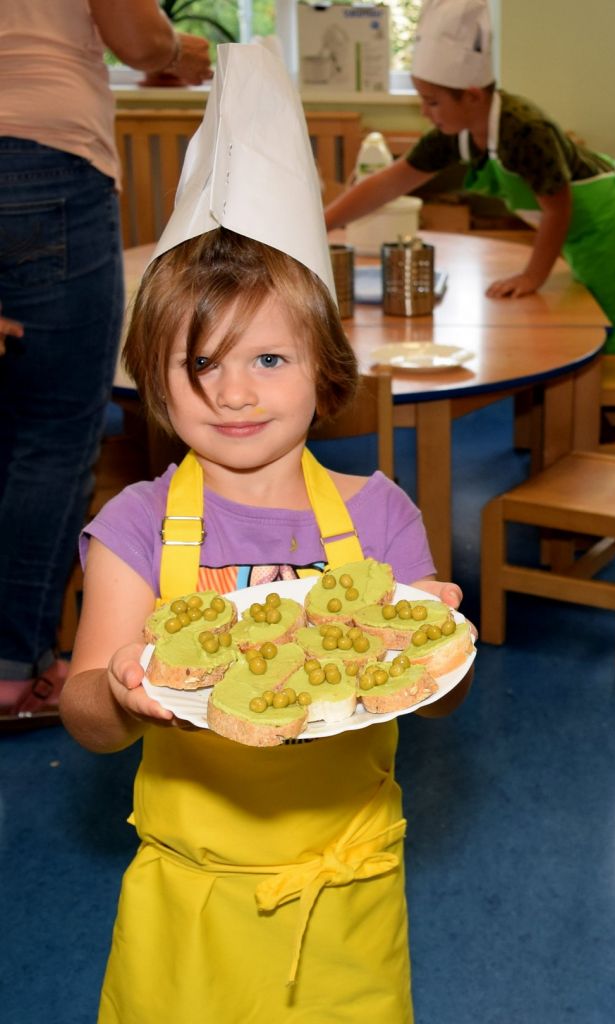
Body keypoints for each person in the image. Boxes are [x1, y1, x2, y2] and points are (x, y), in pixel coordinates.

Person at [59, 44, 474, 1023]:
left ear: (324, 368)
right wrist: (120, 690)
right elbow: (84, 714)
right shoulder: (137, 523)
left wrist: (432, 646)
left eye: (270, 358)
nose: (234, 392)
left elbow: (437, 705)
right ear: (153, 378)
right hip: (191, 902)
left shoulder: (380, 514)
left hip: (346, 889)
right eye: (199, 362)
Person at [0, 0, 212, 730]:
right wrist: (176, 50)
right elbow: (135, 34)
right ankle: (14, 666)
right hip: (43, 158)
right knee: (55, 432)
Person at [325, 0, 615, 357]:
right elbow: (389, 183)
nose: (425, 112)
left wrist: (532, 276)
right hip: (576, 233)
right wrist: (324, 223)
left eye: (433, 102)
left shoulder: (525, 131)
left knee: (606, 335)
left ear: (472, 96)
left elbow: (558, 209)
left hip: (607, 227)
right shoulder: (455, 133)